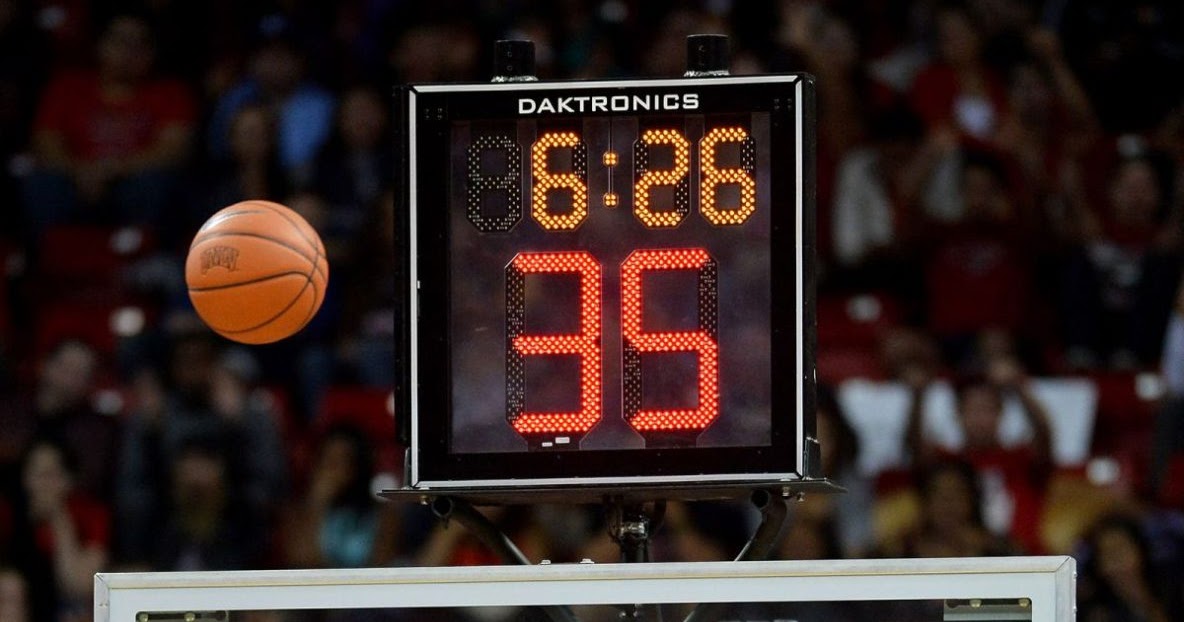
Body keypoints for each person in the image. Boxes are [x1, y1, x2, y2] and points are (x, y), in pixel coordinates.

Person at [22, 13, 194, 233]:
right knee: (41, 182)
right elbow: (46, 142)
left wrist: (115, 169)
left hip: (132, 181)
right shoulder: (67, 87)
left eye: (140, 44)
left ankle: (139, 257)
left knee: (156, 184)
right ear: (100, 45)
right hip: (74, 179)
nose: (129, 52)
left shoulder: (170, 93)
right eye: (120, 41)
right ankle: (47, 257)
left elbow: (173, 150)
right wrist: (80, 171)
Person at [904, 354, 1053, 552]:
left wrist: (1018, 387)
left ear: (1001, 413)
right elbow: (915, 447)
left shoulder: (1020, 459)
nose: (980, 419)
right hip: (965, 561)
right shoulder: (948, 463)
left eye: (987, 409)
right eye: (972, 410)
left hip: (1024, 562)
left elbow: (1043, 434)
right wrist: (918, 396)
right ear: (957, 415)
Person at [6, 439, 109, 622]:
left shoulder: (92, 515)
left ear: (68, 479)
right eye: (37, 473)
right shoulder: (9, 514)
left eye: (51, 474)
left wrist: (58, 518)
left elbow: (78, 586)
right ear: (25, 478)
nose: (43, 483)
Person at [283, 425, 399, 568]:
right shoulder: (296, 512)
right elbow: (300, 562)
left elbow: (381, 568)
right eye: (326, 458)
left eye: (340, 460)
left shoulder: (383, 516)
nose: (330, 468)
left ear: (357, 467)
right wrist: (317, 503)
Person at [1077, 513, 1182, 622]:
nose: (1115, 556)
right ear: (1098, 564)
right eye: (1106, 551)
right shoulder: (1098, 613)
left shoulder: (1172, 587)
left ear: (1140, 550)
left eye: (1120, 547)